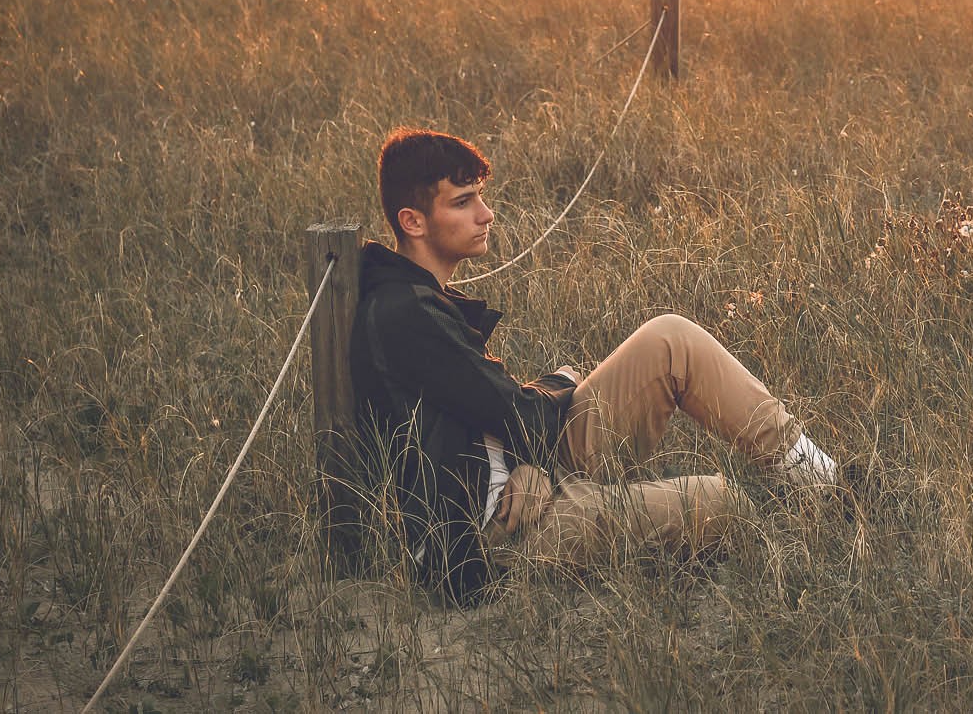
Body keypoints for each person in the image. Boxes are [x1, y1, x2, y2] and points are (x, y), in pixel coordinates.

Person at [350, 127, 844, 602]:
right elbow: (519, 415)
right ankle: (811, 508)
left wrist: (531, 459)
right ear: (413, 221)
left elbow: (496, 409)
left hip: (527, 476)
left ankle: (828, 486)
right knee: (725, 505)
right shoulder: (406, 314)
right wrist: (561, 388)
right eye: (463, 203)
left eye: (480, 196)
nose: (487, 213)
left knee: (670, 338)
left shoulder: (418, 298)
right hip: (496, 539)